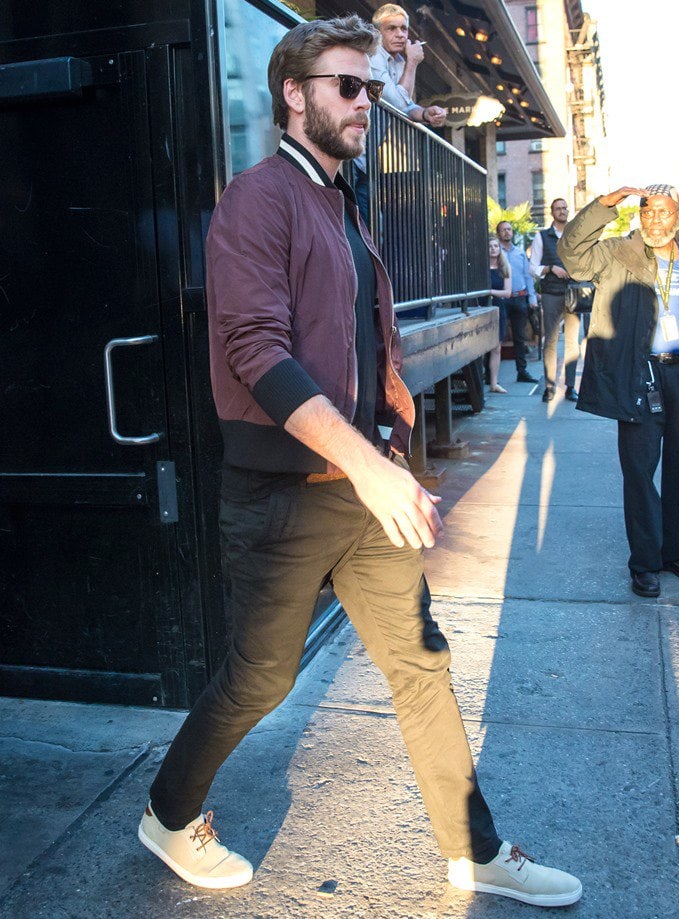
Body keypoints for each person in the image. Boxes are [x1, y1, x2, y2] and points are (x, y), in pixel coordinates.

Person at [137, 15, 582, 908]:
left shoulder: (343, 202)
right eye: (350, 86)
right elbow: (257, 352)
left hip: (359, 483)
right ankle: (167, 810)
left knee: (419, 659)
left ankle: (474, 848)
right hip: (280, 493)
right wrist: (371, 466)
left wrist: (389, 454)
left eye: (373, 89)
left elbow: (361, 350)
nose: (365, 104)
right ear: (294, 94)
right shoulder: (259, 198)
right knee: (260, 675)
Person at [559, 184, 679, 598]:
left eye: (663, 212)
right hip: (640, 375)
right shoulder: (618, 252)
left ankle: (675, 552)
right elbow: (572, 255)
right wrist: (604, 205)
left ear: (677, 215)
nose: (655, 219)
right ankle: (645, 563)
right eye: (647, 211)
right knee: (639, 472)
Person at [353, 3, 446, 224]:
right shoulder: (372, 57)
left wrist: (425, 114)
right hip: (350, 158)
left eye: (403, 29)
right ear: (377, 32)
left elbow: (405, 106)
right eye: (391, 28)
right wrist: (412, 63)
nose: (400, 35)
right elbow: (395, 101)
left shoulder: (397, 63)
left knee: (374, 228)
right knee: (364, 227)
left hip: (366, 158)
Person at [530, 199, 580, 403]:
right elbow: (532, 268)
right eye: (558, 208)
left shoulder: (575, 236)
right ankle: (549, 387)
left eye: (564, 208)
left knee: (572, 343)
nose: (562, 211)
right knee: (550, 340)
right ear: (552, 212)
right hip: (551, 292)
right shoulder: (542, 236)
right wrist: (551, 268)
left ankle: (570, 388)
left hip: (574, 293)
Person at [495, 220, 539, 384]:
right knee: (496, 338)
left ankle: (522, 371)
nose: (507, 232)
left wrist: (532, 297)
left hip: (519, 298)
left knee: (519, 338)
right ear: (498, 233)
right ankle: (492, 376)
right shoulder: (495, 253)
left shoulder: (520, 253)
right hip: (501, 299)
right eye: (503, 230)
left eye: (509, 229)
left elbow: (528, 277)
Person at [483, 235, 512, 393]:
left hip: (499, 308)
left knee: (496, 347)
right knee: (479, 348)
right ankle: (482, 381)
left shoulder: (504, 268)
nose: (493, 249)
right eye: (490, 246)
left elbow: (507, 292)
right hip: (483, 307)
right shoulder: (480, 268)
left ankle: (494, 383)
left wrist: (490, 292)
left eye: (496, 246)